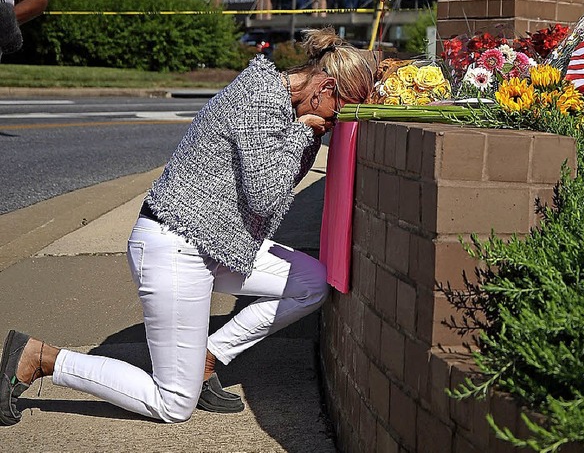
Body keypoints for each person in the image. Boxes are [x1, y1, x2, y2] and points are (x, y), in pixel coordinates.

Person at [0, 27, 374, 426]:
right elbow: (267, 196)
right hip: (174, 245)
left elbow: (280, 180)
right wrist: (303, 133)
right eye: (339, 111)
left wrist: (305, 136)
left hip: (216, 243)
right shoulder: (261, 100)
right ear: (326, 87)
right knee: (173, 404)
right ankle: (41, 358)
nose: (334, 123)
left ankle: (207, 358)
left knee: (312, 282)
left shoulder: (284, 104)